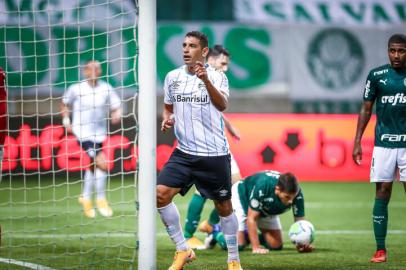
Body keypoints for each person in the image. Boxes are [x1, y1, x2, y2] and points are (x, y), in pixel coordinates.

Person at [157, 31, 243, 270]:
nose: (186, 49)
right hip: (184, 153)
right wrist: (168, 118)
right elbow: (167, 105)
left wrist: (205, 80)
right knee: (160, 194)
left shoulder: (217, 76)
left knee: (224, 207)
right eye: (184, 45)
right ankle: (183, 249)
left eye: (192, 46)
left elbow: (222, 104)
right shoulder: (172, 77)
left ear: (204, 52)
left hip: (214, 154)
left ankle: (233, 260)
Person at [352, 33, 406, 263]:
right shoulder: (376, 76)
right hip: (383, 145)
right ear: (387, 50)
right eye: (392, 50)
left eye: (401, 50)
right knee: (382, 192)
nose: (396, 55)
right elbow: (366, 109)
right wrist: (357, 141)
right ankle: (380, 249)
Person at [183, 45, 243, 250]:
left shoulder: (217, 79)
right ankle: (188, 234)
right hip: (202, 144)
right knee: (203, 191)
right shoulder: (197, 77)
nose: (225, 68)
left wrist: (228, 125)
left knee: (235, 186)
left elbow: (214, 106)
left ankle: (209, 224)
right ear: (210, 58)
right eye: (223, 63)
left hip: (218, 143)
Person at [61, 60, 121, 218]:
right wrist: (66, 121)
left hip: (99, 133)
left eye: (97, 68)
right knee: (102, 163)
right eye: (91, 68)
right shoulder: (76, 88)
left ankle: (85, 198)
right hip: (81, 132)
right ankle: (101, 199)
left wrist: (116, 114)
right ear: (85, 71)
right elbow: (64, 103)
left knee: (93, 165)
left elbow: (116, 105)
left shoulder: (106, 88)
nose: (94, 70)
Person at [211, 170, 312, 253]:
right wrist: (256, 247)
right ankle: (215, 231)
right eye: (287, 197)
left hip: (266, 208)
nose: (291, 201)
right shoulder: (264, 186)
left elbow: (300, 224)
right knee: (237, 245)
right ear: (277, 190)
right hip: (242, 197)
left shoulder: (296, 193)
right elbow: (251, 218)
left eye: (293, 198)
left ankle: (247, 235)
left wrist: (302, 243)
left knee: (276, 245)